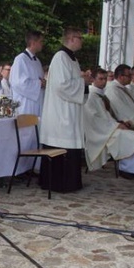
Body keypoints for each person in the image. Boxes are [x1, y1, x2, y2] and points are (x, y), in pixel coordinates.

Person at [39, 27, 91, 192]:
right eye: (79, 37)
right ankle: (58, 183)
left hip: (70, 109)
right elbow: (62, 86)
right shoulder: (60, 57)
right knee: (62, 147)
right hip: (61, 112)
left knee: (71, 148)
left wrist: (83, 81)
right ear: (71, 39)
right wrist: (83, 83)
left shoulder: (72, 59)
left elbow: (71, 82)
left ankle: (71, 182)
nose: (81, 40)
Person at [84, 69, 134, 177]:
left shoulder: (102, 95)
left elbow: (111, 113)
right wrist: (116, 126)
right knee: (132, 137)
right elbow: (94, 119)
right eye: (100, 79)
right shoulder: (90, 97)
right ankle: (126, 169)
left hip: (110, 126)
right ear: (93, 79)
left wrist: (121, 122)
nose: (104, 81)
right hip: (101, 131)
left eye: (105, 79)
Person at [9, 30, 46, 116]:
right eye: (41, 41)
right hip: (25, 104)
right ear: (33, 43)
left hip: (37, 103)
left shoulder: (37, 61)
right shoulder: (20, 59)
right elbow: (18, 83)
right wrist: (39, 83)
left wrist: (43, 83)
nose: (42, 44)